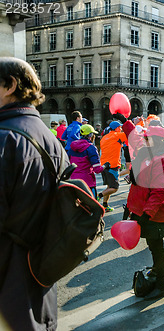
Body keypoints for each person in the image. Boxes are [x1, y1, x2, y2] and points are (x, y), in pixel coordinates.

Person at [0, 56, 67, 330]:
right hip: (39, 277)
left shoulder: (5, 138)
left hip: (7, 281)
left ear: (9, 85)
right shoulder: (49, 137)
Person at [124, 122, 164, 299]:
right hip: (147, 212)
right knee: (153, 247)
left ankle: (161, 285)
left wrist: (147, 214)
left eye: (148, 139)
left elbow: (160, 191)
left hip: (155, 213)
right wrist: (126, 122)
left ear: (155, 140)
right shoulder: (150, 154)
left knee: (157, 248)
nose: (144, 141)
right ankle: (157, 277)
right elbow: (135, 140)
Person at [68, 124, 107, 198]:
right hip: (87, 183)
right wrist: (106, 165)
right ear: (90, 135)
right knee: (93, 206)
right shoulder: (91, 148)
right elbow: (97, 169)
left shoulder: (72, 147)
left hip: (73, 181)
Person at [98, 121, 127, 212]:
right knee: (114, 188)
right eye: (120, 127)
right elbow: (131, 133)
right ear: (117, 128)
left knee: (109, 187)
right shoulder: (118, 135)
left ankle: (105, 205)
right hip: (112, 165)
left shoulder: (104, 138)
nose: (121, 129)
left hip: (104, 165)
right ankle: (98, 196)